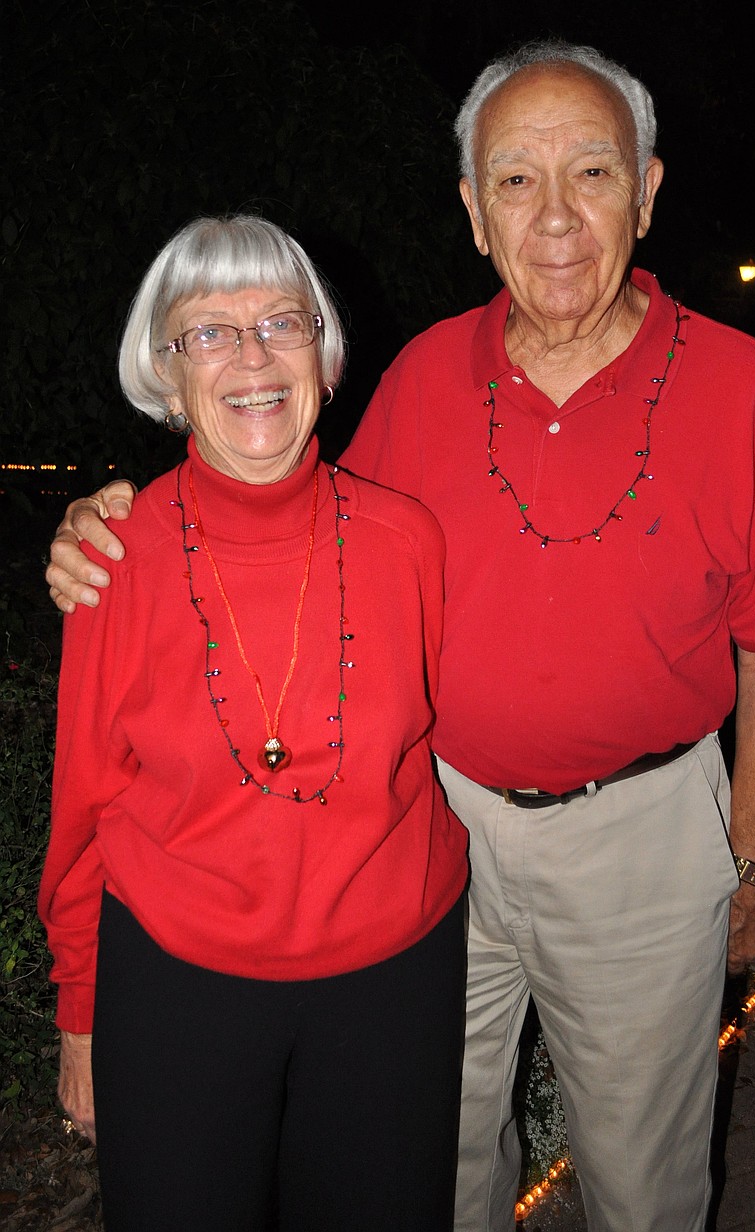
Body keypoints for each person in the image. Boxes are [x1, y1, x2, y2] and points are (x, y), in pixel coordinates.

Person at [46, 42, 755, 1232]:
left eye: (592, 172)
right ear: (471, 211)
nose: (556, 215)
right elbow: (284, 517)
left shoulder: (744, 388)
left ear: (649, 190)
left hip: (639, 839)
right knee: (440, 1168)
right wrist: (108, 519)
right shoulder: (419, 378)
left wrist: (754, 869)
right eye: (514, 180)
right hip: (437, 838)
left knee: (641, 1177)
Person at [38, 215, 469, 1232]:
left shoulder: (408, 539)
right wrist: (79, 1011)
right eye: (209, 332)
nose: (252, 355)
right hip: (177, 982)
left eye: (281, 320)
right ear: (165, 370)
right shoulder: (118, 558)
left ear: (322, 350)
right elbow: (82, 801)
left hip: (392, 976)